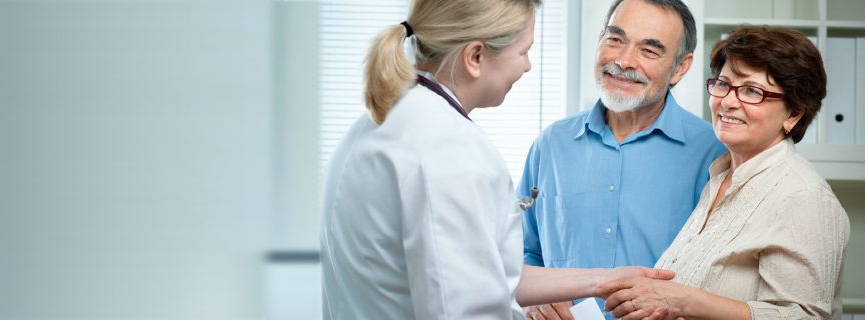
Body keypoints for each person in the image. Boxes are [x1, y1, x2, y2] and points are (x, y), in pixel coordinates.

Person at [319, 0, 677, 319]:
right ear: (475, 57)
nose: (528, 66)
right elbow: (462, 306)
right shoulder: (450, 147)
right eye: (523, 51)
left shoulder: (381, 121)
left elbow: (486, 272)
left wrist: (604, 280)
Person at [598, 24, 850, 320]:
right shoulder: (718, 177)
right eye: (723, 84)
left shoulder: (804, 197)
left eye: (752, 91)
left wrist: (686, 301)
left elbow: (803, 316)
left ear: (794, 113)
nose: (728, 102)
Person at [517, 1, 726, 318]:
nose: (624, 61)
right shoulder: (550, 145)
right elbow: (524, 250)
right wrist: (537, 299)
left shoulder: (715, 155)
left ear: (680, 67)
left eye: (649, 51)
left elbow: (724, 274)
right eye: (615, 39)